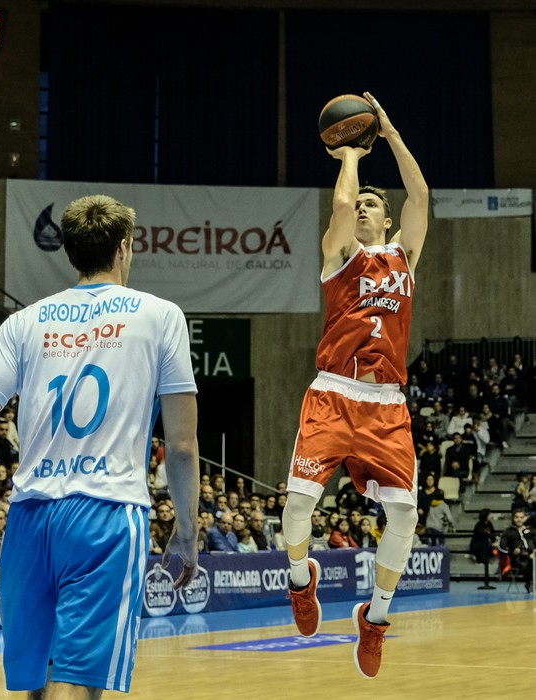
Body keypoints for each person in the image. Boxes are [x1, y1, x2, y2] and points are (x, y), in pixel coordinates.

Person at [0, 195, 200, 698]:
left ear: (69, 251)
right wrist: (188, 529)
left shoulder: (23, 323)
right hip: (107, 514)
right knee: (77, 684)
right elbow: (180, 444)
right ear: (125, 248)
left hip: (29, 519)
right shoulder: (162, 316)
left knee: (37, 683)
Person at [282, 93, 429, 679]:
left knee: (405, 521)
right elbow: (341, 207)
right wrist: (348, 156)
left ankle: (376, 618)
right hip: (332, 394)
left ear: (387, 221)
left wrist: (388, 134)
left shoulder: (403, 259)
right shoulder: (338, 257)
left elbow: (420, 196)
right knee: (295, 511)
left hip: (386, 405)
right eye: (361, 204)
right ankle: (301, 581)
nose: (363, 208)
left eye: (373, 205)